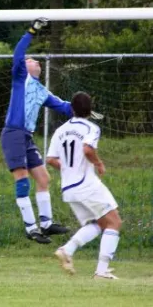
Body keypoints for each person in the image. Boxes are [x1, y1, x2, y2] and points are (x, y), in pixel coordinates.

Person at [0, 18, 72, 244]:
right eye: (30, 59)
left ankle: (47, 223)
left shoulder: (42, 91)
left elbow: (65, 107)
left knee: (43, 177)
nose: (32, 60)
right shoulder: (21, 78)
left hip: (26, 137)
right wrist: (32, 31)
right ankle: (31, 228)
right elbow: (19, 52)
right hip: (13, 133)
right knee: (23, 181)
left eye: (35, 59)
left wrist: (85, 108)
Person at [47, 91, 121, 279]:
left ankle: (67, 250)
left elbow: (51, 159)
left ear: (71, 109)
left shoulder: (60, 130)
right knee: (114, 222)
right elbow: (88, 149)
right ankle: (102, 272)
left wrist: (67, 169)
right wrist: (98, 163)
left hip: (68, 188)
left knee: (96, 224)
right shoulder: (91, 128)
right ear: (90, 110)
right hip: (85, 184)